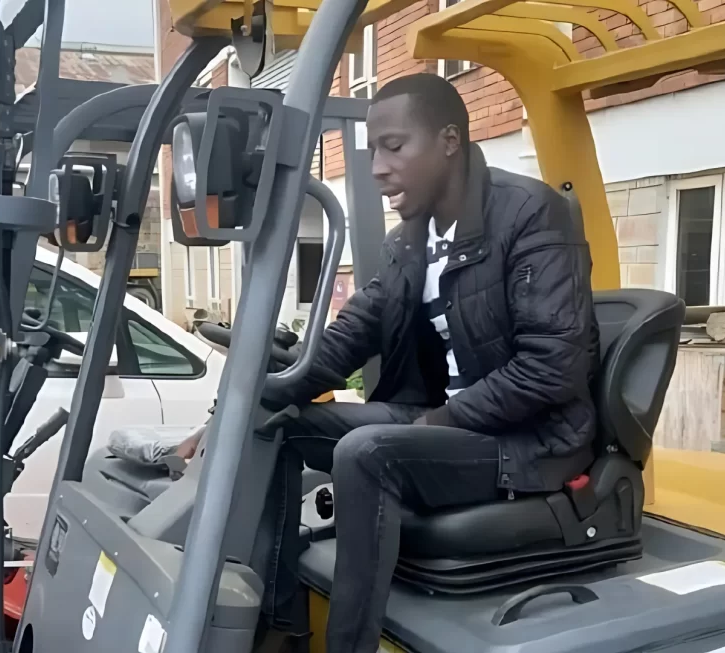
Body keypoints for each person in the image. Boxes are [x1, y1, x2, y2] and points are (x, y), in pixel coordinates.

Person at [184, 73, 600, 653]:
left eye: (394, 147)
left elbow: (551, 368)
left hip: (531, 439)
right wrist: (233, 413)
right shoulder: (410, 240)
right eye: (373, 150)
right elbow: (347, 338)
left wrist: (437, 423)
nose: (378, 166)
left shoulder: (531, 214)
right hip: (446, 425)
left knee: (368, 451)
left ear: (449, 141)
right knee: (275, 428)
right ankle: (281, 625)